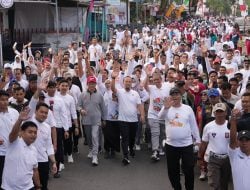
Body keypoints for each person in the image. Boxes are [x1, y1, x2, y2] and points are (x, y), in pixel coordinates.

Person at [158, 87, 200, 190]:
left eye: (177, 94)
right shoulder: (167, 108)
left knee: (189, 169)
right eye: (173, 94)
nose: (175, 96)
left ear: (181, 96)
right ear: (170, 96)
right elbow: (160, 117)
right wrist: (166, 108)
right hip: (171, 145)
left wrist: (198, 140)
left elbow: (193, 125)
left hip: (187, 144)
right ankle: (177, 188)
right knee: (173, 170)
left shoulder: (187, 108)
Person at [111, 72, 145, 165]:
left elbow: (140, 105)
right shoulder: (120, 92)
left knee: (131, 138)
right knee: (125, 137)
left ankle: (131, 149)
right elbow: (113, 89)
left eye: (129, 81)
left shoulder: (135, 93)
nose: (128, 83)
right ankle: (125, 156)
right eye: (126, 81)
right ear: (123, 82)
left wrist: (142, 115)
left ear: (131, 83)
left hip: (134, 120)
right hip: (123, 120)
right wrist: (113, 79)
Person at [1, 112, 41, 190]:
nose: (33, 134)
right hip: (9, 188)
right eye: (30, 132)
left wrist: (38, 186)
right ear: (21, 132)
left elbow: (35, 170)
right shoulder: (14, 142)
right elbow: (12, 134)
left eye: (35, 133)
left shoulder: (34, 150)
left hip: (29, 187)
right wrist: (19, 120)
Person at [198, 103, 231, 190]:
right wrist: (199, 157)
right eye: (217, 111)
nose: (219, 114)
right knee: (214, 184)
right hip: (213, 158)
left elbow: (235, 143)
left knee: (224, 185)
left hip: (227, 158)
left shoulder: (231, 126)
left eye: (221, 111)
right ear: (214, 113)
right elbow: (204, 143)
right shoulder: (208, 126)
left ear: (225, 113)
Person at [78, 76, 106, 166]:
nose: (92, 85)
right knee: (89, 137)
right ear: (87, 84)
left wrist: (104, 119)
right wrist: (81, 110)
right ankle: (90, 149)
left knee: (95, 136)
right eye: (90, 83)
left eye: (93, 83)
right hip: (86, 120)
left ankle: (95, 156)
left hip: (96, 120)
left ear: (95, 84)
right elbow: (78, 106)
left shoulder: (100, 95)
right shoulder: (82, 95)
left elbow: (103, 108)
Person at [31, 102, 57, 190]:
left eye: (46, 113)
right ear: (35, 111)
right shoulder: (29, 122)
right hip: (29, 161)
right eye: (41, 112)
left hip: (43, 161)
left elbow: (49, 146)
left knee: (43, 186)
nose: (44, 114)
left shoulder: (47, 127)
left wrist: (53, 162)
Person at [0, 90, 19, 189]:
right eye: (2, 100)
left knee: (12, 178)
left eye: (6, 99)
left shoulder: (14, 112)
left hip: (13, 151)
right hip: (1, 153)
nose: (5, 102)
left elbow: (20, 129)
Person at [229, 109, 250, 190]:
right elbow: (232, 139)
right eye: (241, 140)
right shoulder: (234, 155)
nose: (244, 143)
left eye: (247, 140)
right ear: (238, 142)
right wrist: (233, 119)